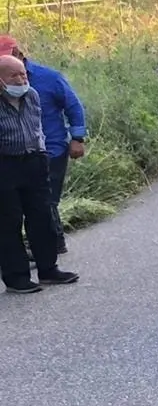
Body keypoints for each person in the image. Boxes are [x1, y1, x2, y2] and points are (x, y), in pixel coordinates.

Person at [0, 35, 85, 257]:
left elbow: (73, 106)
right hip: (17, 156)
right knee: (27, 205)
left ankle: (52, 245)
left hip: (52, 149)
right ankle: (43, 245)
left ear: (18, 53)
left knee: (46, 201)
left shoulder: (48, 79)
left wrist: (77, 137)